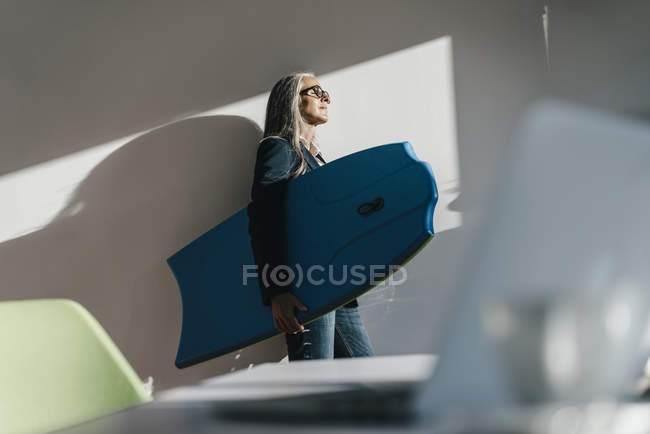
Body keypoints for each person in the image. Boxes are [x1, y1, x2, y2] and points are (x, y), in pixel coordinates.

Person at [247, 72, 374, 360]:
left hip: (338, 289)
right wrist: (277, 291)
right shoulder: (278, 148)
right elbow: (264, 220)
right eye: (316, 91)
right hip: (306, 289)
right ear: (292, 100)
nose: (326, 98)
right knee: (316, 384)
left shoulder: (316, 158)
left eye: (326, 92)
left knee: (367, 380)